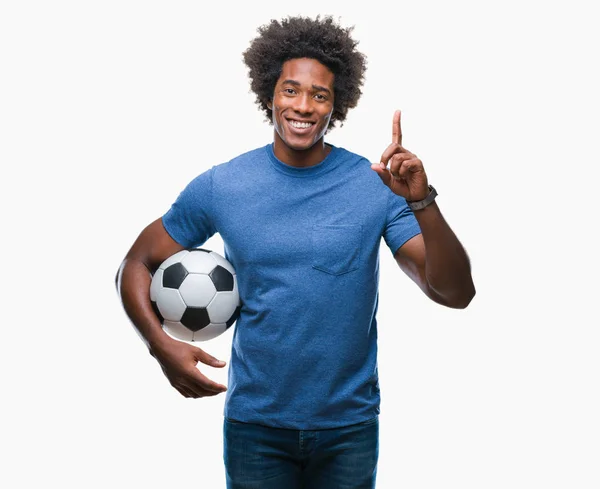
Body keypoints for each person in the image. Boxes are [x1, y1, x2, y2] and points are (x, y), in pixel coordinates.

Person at [116, 14, 475, 489]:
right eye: (290, 90)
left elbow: (453, 292)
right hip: (256, 428)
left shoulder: (374, 186)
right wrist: (160, 346)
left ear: (336, 105)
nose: (303, 106)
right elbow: (136, 264)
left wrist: (421, 201)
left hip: (349, 427)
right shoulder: (223, 186)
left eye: (319, 94)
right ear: (269, 95)